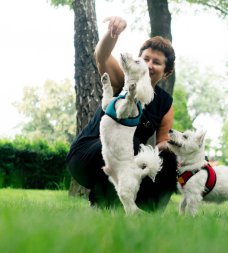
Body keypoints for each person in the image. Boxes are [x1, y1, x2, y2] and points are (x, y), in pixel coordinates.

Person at [66, 16, 178, 211]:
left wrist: (182, 148)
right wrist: (113, 34)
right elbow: (101, 55)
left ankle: (149, 212)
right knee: (128, 145)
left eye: (157, 63)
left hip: (126, 161)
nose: (150, 65)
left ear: (166, 73)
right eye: (146, 59)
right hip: (88, 154)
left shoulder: (165, 103)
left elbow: (162, 142)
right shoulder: (122, 81)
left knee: (168, 158)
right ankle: (101, 204)